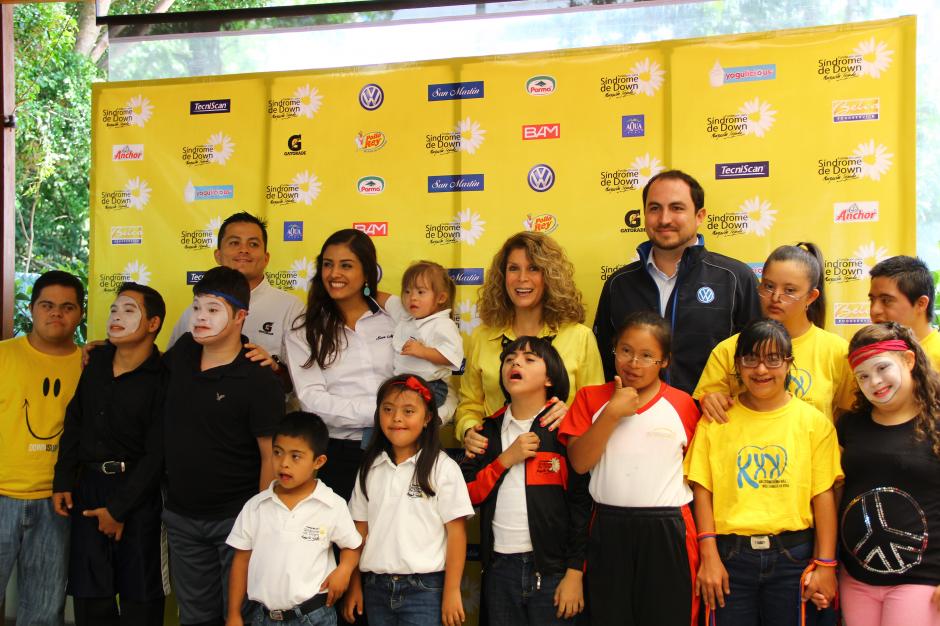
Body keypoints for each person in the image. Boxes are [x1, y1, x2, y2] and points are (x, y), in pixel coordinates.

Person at [685, 319, 842, 625]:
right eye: (750, 359)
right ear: (737, 365)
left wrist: (825, 563)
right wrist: (709, 556)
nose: (761, 370)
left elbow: (823, 495)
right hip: (729, 558)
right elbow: (702, 490)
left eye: (773, 359)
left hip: (794, 558)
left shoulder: (813, 423)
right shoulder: (716, 420)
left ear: (788, 363)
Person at [162, 266, 285, 626]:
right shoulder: (183, 352)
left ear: (240, 316)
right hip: (182, 517)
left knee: (241, 616)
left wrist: (259, 523)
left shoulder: (259, 377)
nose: (201, 317)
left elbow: (269, 455)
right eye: (197, 307)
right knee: (196, 617)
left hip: (236, 520)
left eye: (213, 310)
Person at [560, 311, 700, 626]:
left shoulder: (683, 405)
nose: (633, 363)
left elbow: (701, 478)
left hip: (668, 528)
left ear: (665, 361)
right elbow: (580, 462)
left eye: (647, 355)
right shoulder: (590, 398)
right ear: (613, 349)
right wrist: (611, 413)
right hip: (608, 526)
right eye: (625, 351)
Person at [51, 283, 167, 626]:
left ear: (153, 324)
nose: (117, 317)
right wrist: (63, 480)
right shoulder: (96, 361)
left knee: (140, 601)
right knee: (90, 599)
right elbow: (75, 423)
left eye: (130, 311)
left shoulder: (165, 375)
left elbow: (158, 452)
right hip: (88, 490)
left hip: (140, 496)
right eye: (114, 310)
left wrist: (118, 510)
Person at [594, 169, 761, 395]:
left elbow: (756, 360)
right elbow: (604, 365)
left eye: (677, 208)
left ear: (700, 215)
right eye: (655, 208)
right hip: (634, 422)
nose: (664, 219)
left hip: (711, 423)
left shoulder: (736, 278)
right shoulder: (619, 284)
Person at [462, 336, 591, 625]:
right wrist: (505, 459)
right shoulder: (486, 430)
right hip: (499, 570)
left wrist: (574, 572)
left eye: (529, 359)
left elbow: (583, 505)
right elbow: (468, 494)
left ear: (550, 379)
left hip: (553, 572)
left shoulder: (564, 429)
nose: (516, 362)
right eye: (509, 359)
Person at [457, 231, 604, 457]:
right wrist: (469, 430)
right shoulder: (481, 337)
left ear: (550, 276)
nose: (522, 278)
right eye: (513, 268)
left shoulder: (579, 337)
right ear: (502, 275)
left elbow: (597, 410)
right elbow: (469, 405)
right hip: (496, 465)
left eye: (534, 268)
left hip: (559, 467)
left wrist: (572, 417)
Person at [343, 375, 474, 626]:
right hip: (375, 588)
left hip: (425, 589)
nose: (397, 418)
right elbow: (359, 530)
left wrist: (452, 590)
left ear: (427, 418)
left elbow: (456, 534)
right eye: (388, 409)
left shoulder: (442, 468)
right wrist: (354, 585)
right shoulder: (370, 468)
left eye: (409, 411)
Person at [837, 322, 940, 626]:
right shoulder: (849, 426)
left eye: (882, 368)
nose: (875, 382)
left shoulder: (936, 424)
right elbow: (835, 492)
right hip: (856, 577)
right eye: (863, 376)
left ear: (908, 361)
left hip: (922, 578)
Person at [286, 228, 396, 501]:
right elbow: (312, 400)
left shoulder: (395, 320)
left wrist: (406, 417)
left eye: (346, 265)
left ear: (367, 270)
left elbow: (425, 377)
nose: (334, 274)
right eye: (328, 264)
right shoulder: (304, 330)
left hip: (400, 446)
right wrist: (384, 413)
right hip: (338, 452)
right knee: (344, 541)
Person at [0, 270, 84, 626]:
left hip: (58, 504)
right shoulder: (4, 356)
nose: (56, 314)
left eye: (67, 307)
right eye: (47, 305)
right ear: (32, 308)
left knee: (43, 612)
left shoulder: (90, 365)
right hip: (1, 495)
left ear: (80, 313)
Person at [226, 412, 362, 626]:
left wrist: (344, 570)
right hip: (265, 617)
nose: (283, 464)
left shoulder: (331, 504)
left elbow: (352, 546)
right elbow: (241, 561)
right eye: (278, 453)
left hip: (315, 616)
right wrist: (234, 613)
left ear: (319, 461)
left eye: (295, 456)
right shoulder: (256, 506)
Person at [695, 243, 855, 423]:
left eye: (789, 290)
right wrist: (708, 400)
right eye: (769, 286)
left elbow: (851, 418)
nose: (776, 297)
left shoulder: (837, 351)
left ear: (811, 297)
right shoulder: (728, 349)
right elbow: (711, 407)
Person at [168, 212, 303, 376]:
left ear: (266, 258)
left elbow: (304, 381)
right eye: (234, 243)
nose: (244, 250)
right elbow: (172, 369)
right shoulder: (193, 312)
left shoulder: (291, 308)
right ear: (218, 255)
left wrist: (275, 367)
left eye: (253, 244)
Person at [386, 260, 463, 414]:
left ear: (440, 298)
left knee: (410, 420)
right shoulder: (406, 317)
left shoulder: (442, 324)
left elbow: (451, 356)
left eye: (421, 292)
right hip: (402, 385)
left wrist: (422, 351)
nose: (412, 297)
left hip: (430, 386)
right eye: (407, 292)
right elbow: (386, 300)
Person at [868, 255, 940, 370]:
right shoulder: (870, 354)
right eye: (872, 300)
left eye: (886, 300)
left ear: (921, 304)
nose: (874, 310)